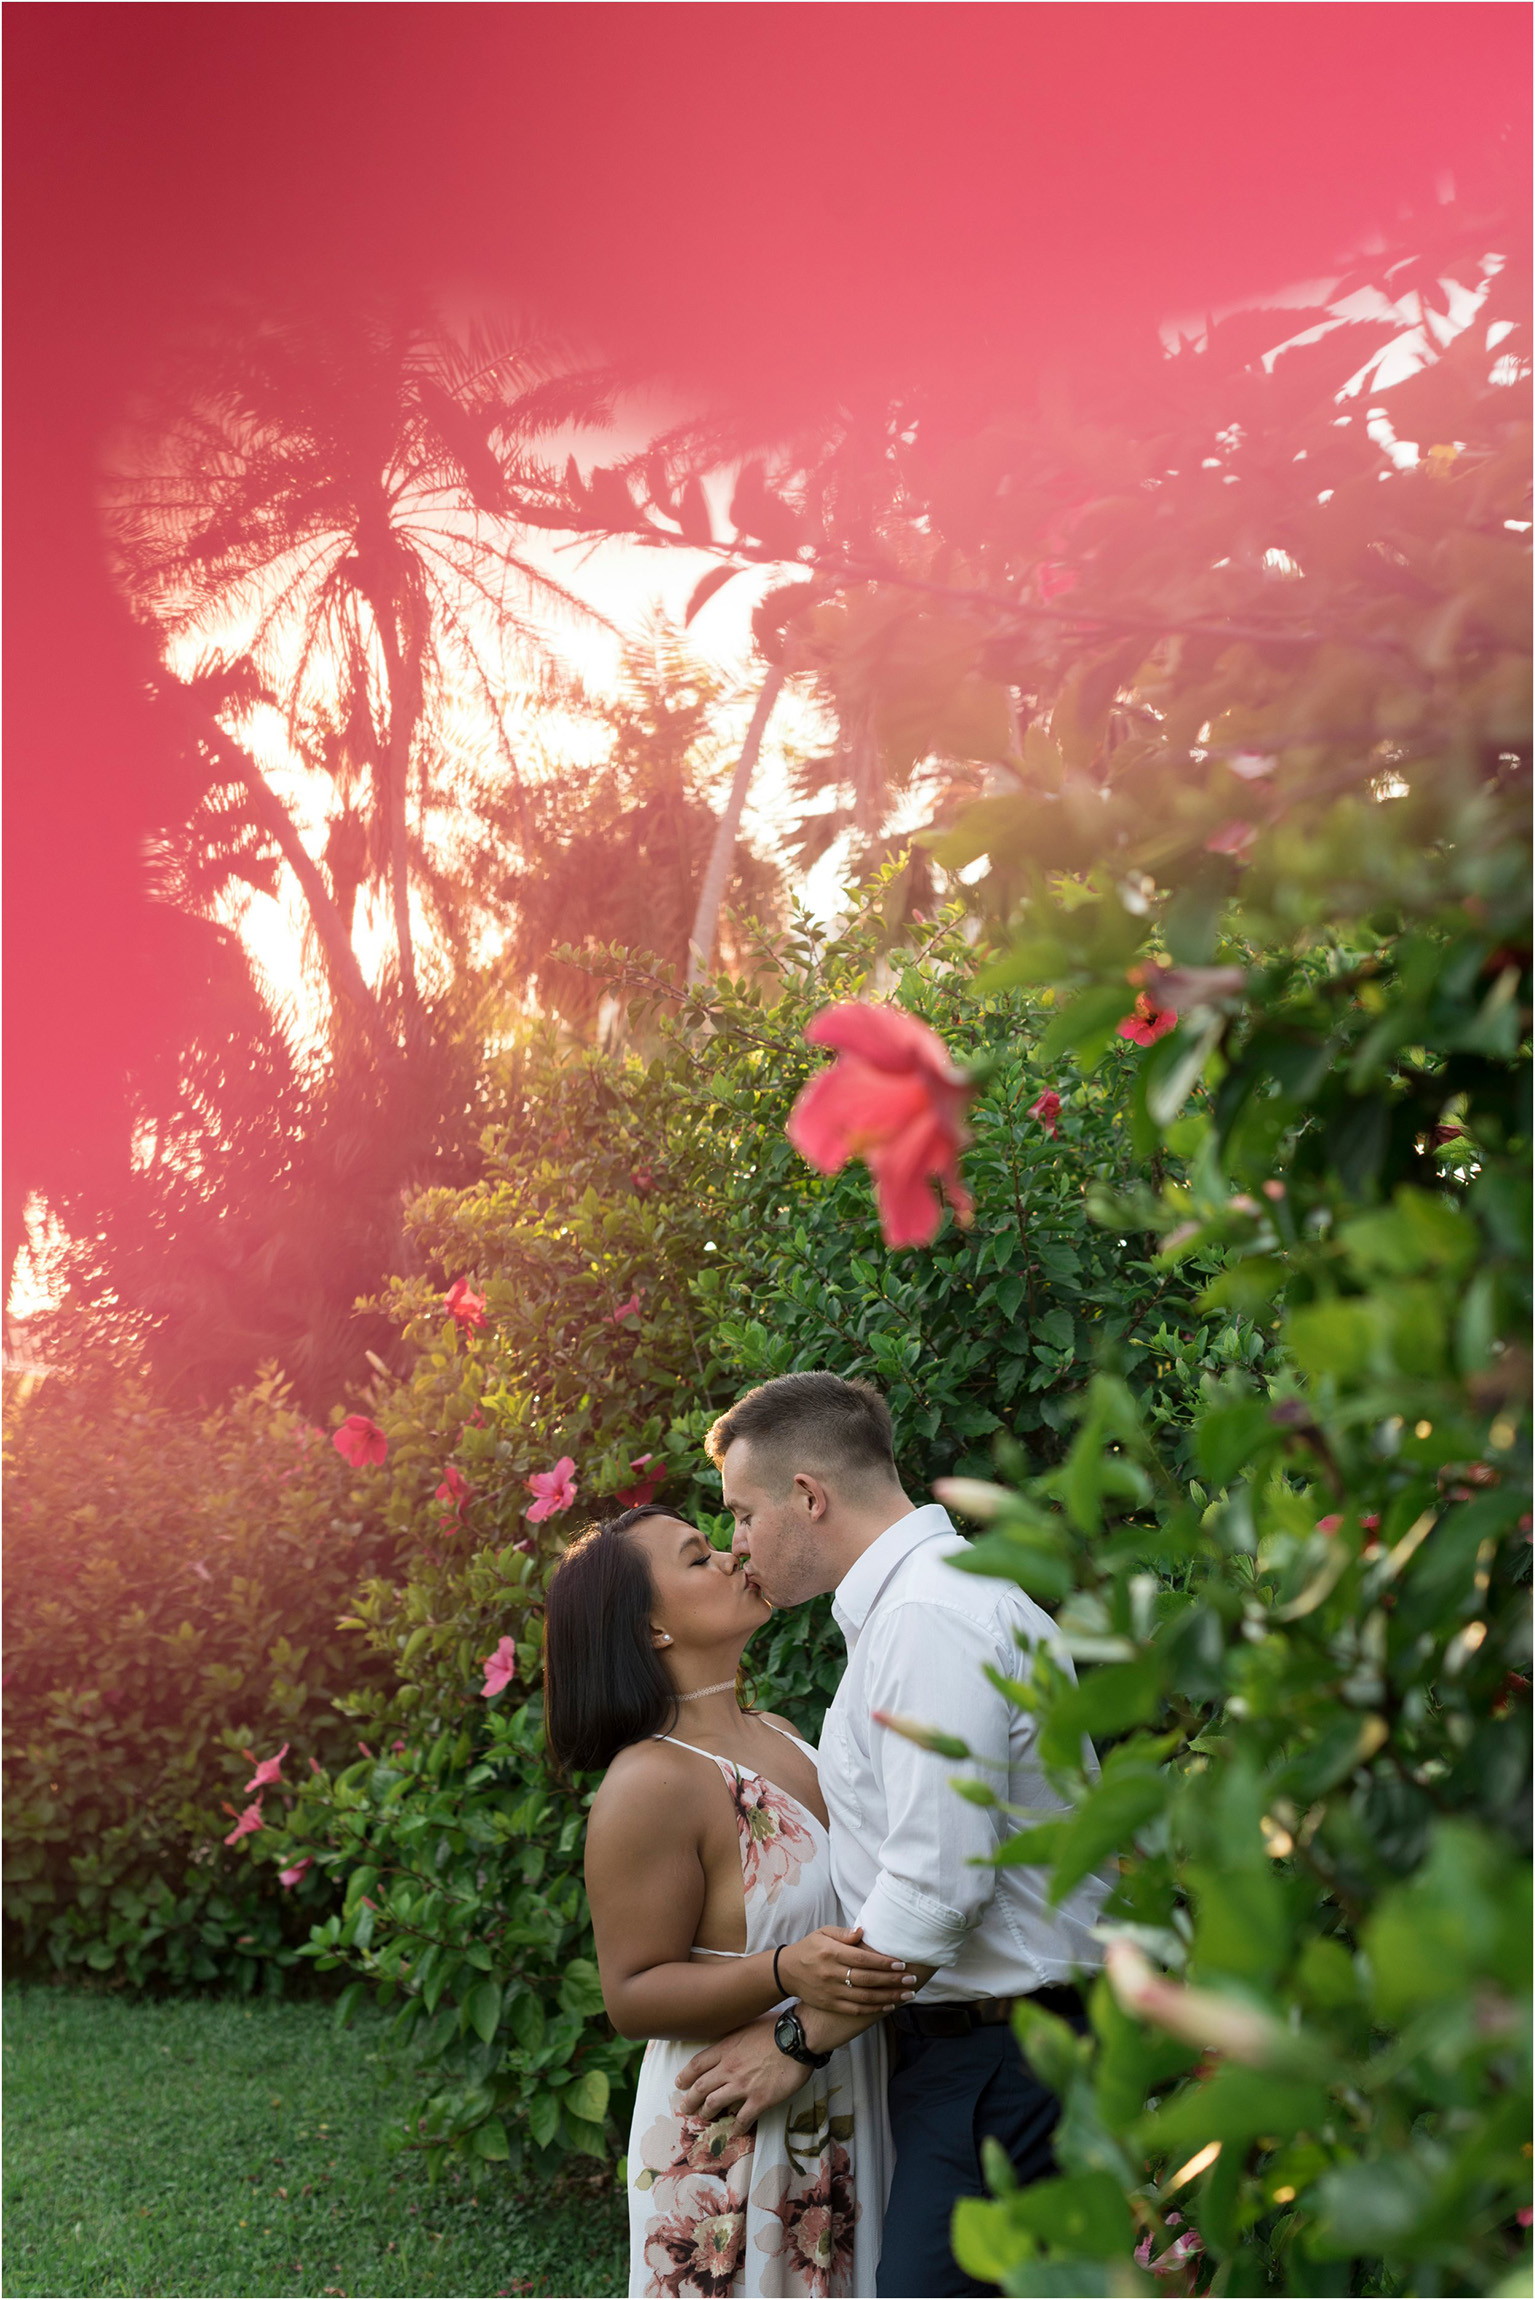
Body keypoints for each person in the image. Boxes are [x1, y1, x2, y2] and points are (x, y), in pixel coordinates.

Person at [672, 1373, 1107, 2300]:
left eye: (742, 1513)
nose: (735, 1543)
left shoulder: (924, 1620)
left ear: (808, 1497)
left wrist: (790, 2041)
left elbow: (940, 1888)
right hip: (977, 2054)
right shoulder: (927, 1605)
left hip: (1001, 2062)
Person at [544, 1501, 910, 2298]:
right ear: (651, 1631)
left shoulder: (779, 1733)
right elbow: (632, 1994)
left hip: (845, 2084)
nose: (728, 1556)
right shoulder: (650, 1781)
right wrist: (783, 1970)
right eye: (694, 1556)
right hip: (738, 2134)